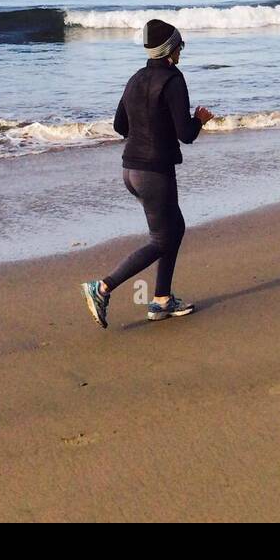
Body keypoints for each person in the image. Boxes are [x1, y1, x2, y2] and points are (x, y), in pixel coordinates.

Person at [82, 19, 213, 328]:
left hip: (131, 170)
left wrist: (148, 126)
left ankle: (162, 300)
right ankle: (102, 287)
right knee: (161, 240)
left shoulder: (136, 78)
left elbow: (119, 127)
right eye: (180, 45)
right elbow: (186, 134)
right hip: (154, 172)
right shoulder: (174, 80)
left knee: (174, 229)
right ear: (170, 49)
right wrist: (200, 120)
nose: (182, 51)